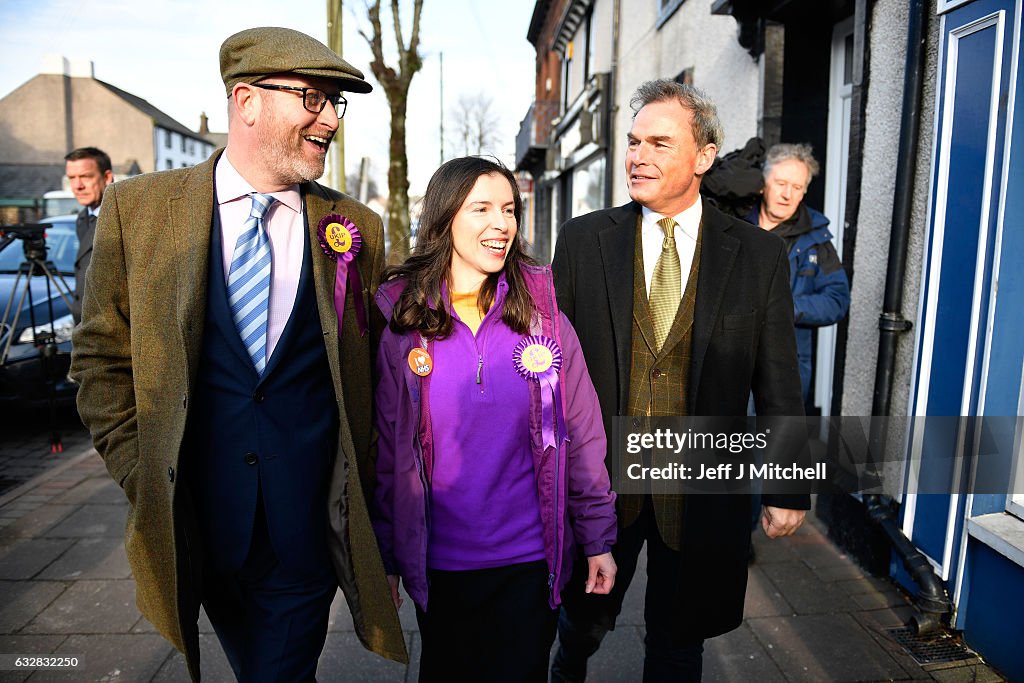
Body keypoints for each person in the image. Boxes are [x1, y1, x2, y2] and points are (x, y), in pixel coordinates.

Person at [70, 27, 406, 681]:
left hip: (304, 534)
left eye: (337, 103)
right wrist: (144, 473)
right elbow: (99, 358)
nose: (331, 119)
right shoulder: (137, 211)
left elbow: (373, 372)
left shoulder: (356, 228)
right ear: (246, 101)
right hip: (196, 528)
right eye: (313, 98)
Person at [550, 79, 808, 682]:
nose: (637, 156)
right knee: (583, 624)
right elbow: (548, 362)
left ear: (704, 156)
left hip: (699, 487)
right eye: (634, 142)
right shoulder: (585, 240)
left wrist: (789, 485)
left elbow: (777, 373)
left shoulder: (757, 254)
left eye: (659, 143)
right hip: (601, 484)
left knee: (679, 639)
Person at [372, 156, 617, 682]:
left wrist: (597, 536)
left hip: (529, 563)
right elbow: (389, 455)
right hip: (441, 567)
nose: (501, 223)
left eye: (508, 209)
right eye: (481, 208)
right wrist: (388, 555)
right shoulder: (404, 326)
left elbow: (584, 434)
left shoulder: (544, 317)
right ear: (444, 221)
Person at [743, 143, 850, 402]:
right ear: (763, 183)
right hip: (733, 358)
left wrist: (786, 307)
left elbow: (837, 299)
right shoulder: (735, 225)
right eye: (780, 183)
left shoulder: (816, 238)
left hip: (785, 367)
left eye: (797, 187)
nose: (787, 194)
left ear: (803, 193)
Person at [64, 146, 113, 324]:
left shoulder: (122, 217)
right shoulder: (82, 218)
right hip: (85, 323)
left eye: (85, 176)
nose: (78, 186)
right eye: (72, 178)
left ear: (107, 177)